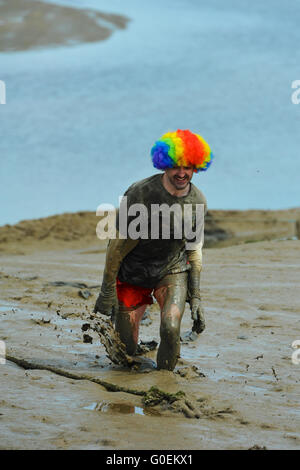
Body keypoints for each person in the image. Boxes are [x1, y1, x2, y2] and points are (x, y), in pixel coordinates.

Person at [94, 129, 213, 371]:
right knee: (125, 353)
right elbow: (116, 246)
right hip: (133, 271)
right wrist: (106, 291)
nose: (182, 173)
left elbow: (194, 251)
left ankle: (166, 380)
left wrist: (196, 297)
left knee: (170, 328)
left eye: (188, 167)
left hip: (171, 269)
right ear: (165, 166)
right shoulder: (140, 193)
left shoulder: (198, 201)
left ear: (196, 167)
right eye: (176, 166)